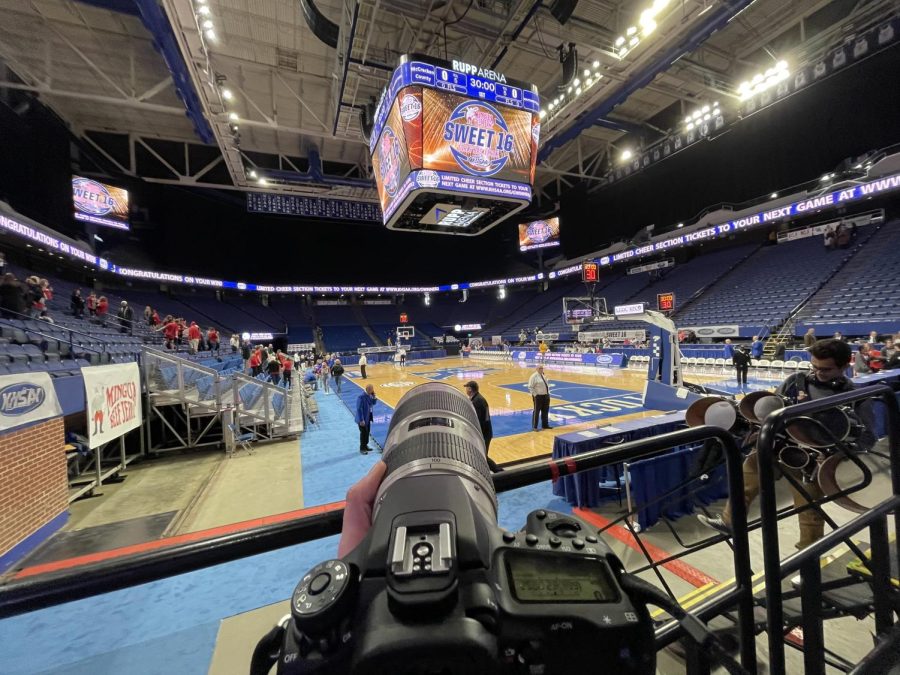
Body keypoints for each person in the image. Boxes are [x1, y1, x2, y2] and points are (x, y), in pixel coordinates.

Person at [698, 339, 876, 550]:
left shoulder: (856, 397)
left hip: (811, 461)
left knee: (810, 513)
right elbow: (770, 408)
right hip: (776, 446)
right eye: (814, 367)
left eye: (826, 370)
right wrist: (759, 429)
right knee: (744, 483)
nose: (818, 373)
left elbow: (868, 438)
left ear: (846, 366)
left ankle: (808, 562)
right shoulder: (796, 381)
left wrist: (837, 455)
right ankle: (730, 522)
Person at [464, 380, 499, 472]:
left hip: (484, 434)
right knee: (482, 457)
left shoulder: (477, 401)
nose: (466, 389)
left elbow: (478, 420)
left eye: (466, 387)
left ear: (470, 389)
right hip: (484, 433)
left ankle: (501, 473)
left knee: (483, 457)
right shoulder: (477, 399)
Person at [527, 364, 551, 431]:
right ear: (537, 369)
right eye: (540, 368)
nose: (541, 369)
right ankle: (535, 427)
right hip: (538, 396)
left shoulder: (543, 375)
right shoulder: (533, 376)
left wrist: (548, 394)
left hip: (546, 396)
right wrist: (535, 395)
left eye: (542, 368)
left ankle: (545, 425)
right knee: (536, 411)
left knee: (545, 411)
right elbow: (530, 387)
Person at [355, 384, 378, 455]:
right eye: (371, 390)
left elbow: (373, 403)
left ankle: (365, 445)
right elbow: (359, 409)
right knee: (363, 433)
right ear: (368, 389)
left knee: (367, 432)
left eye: (372, 390)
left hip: (368, 417)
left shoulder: (370, 395)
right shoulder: (361, 397)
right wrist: (361, 420)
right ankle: (362, 448)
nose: (372, 391)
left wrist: (374, 397)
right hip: (363, 419)